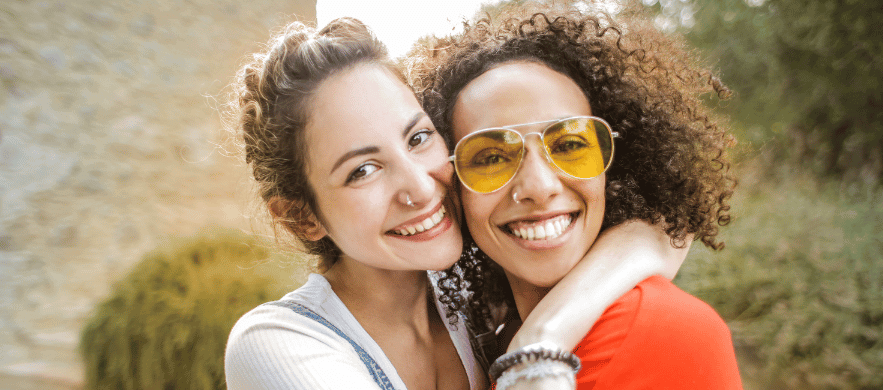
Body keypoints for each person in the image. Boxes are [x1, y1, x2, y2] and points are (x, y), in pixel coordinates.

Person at [224, 17, 691, 390]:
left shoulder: (478, 299)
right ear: (301, 217)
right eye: (362, 170)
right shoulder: (276, 343)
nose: (422, 189)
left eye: (419, 137)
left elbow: (665, 232)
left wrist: (541, 340)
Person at [415, 6, 742, 390]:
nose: (539, 187)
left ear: (613, 166)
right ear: (453, 186)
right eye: (490, 157)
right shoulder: (491, 341)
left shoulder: (657, 329)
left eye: (570, 144)